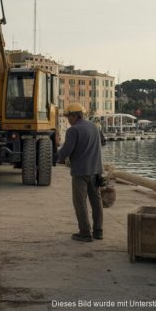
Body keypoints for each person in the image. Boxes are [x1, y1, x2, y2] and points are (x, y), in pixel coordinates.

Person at [55, 103, 105, 242]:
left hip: (80, 172)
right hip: (95, 171)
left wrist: (56, 157)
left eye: (69, 116)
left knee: (80, 202)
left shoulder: (73, 130)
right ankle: (98, 231)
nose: (68, 120)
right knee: (96, 202)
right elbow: (100, 147)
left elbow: (66, 150)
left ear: (76, 115)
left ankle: (85, 233)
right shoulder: (94, 127)